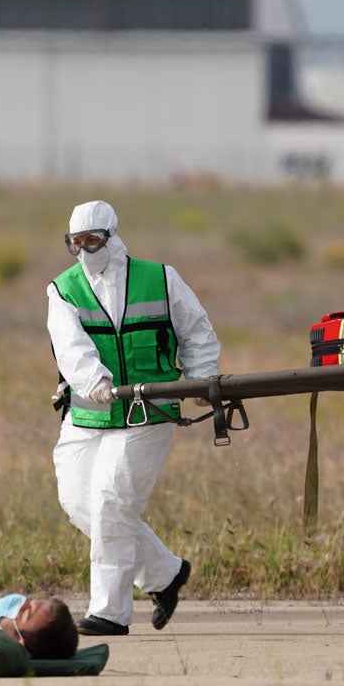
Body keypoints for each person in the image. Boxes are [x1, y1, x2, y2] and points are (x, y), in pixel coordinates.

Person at [47, 200, 220, 636]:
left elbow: (195, 328)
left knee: (110, 503)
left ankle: (109, 612)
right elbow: (70, 348)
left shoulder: (160, 278)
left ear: (112, 236)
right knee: (78, 503)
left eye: (93, 240)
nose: (86, 249)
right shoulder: (62, 288)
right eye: (76, 243)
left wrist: (202, 380)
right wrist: (93, 380)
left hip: (148, 412)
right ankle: (166, 574)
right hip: (88, 413)